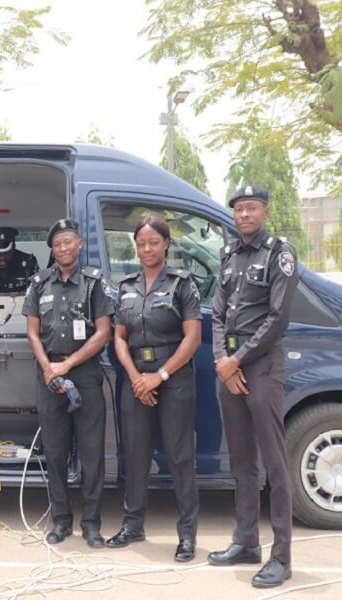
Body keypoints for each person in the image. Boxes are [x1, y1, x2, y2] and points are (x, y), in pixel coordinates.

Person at [208, 185, 298, 588]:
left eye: (251, 208)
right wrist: (222, 362)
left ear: (265, 212)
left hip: (261, 368)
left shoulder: (279, 254)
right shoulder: (228, 254)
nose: (244, 214)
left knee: (274, 464)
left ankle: (282, 557)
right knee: (241, 460)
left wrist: (237, 359)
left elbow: (278, 318)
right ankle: (246, 541)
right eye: (238, 209)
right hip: (230, 370)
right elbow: (217, 314)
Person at [106, 215, 202, 561]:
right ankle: (133, 526)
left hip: (173, 379)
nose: (147, 249)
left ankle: (187, 536)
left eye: (153, 242)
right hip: (136, 379)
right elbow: (119, 337)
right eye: (141, 243)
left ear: (166, 244)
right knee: (135, 455)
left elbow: (193, 338)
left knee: (179, 457)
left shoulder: (182, 284)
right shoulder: (126, 287)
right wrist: (136, 377)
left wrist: (158, 376)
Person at [22, 218, 114, 548]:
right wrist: (49, 367)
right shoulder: (39, 284)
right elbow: (32, 332)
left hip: (85, 375)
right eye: (57, 244)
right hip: (49, 376)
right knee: (55, 453)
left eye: (68, 242)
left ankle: (91, 524)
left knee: (91, 454)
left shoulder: (94, 282)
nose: (63, 248)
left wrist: (68, 364)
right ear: (52, 248)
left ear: (79, 245)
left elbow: (103, 332)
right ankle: (61, 521)